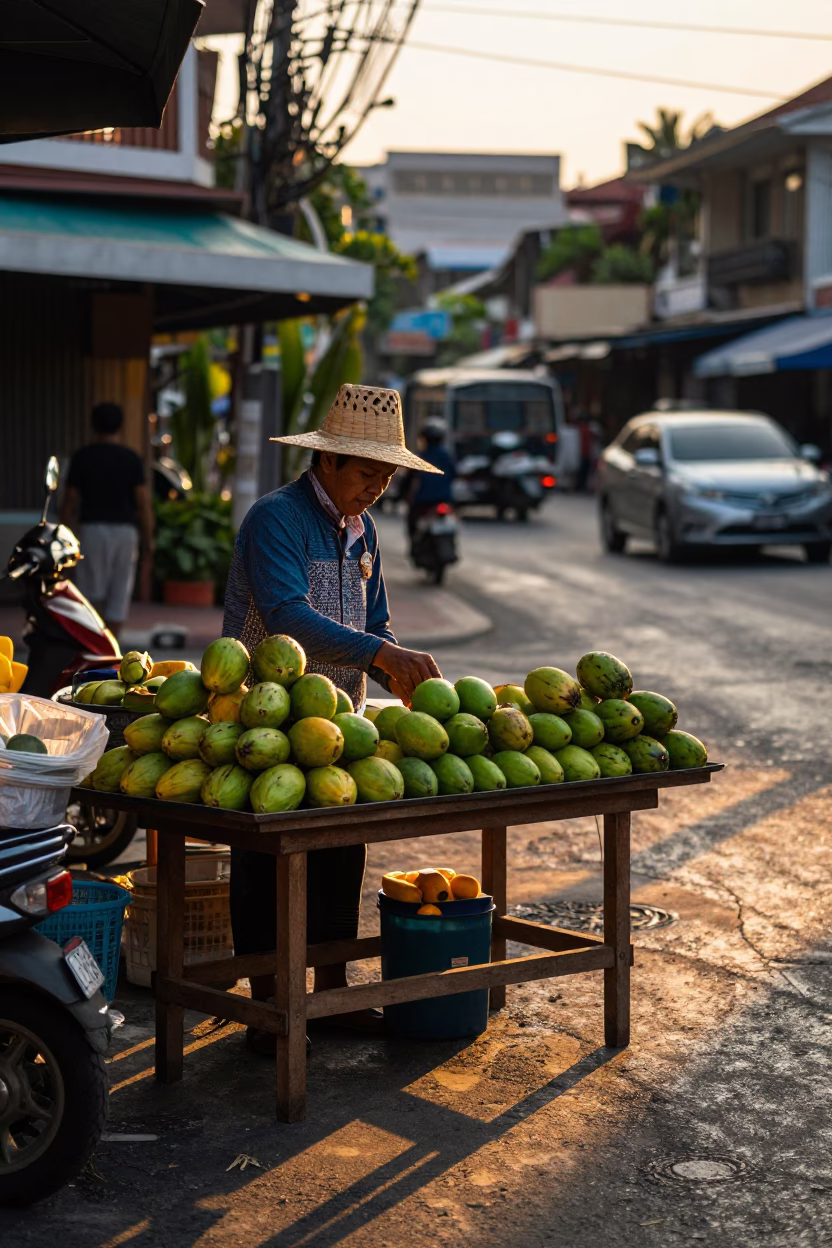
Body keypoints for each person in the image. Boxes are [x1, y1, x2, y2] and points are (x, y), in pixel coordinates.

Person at [222, 383, 444, 1054]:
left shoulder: (364, 529)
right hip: (266, 719)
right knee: (266, 866)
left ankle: (332, 993)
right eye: (367, 472)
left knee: (342, 852)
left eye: (387, 475)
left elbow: (375, 622)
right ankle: (269, 1008)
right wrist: (382, 651)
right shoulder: (276, 519)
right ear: (328, 463)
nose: (377, 487)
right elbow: (287, 616)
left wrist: (394, 671)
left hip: (340, 722)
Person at [59, 402, 155, 638]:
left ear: (93, 425)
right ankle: (113, 650)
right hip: (125, 533)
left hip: (92, 531)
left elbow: (69, 503)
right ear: (120, 426)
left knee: (90, 595)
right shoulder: (131, 458)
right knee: (119, 594)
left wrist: (62, 538)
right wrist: (149, 539)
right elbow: (142, 503)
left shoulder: (82, 456)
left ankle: (93, 647)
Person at [405, 418, 456, 545]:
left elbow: (409, 479)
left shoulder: (421, 456)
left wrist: (403, 495)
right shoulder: (447, 456)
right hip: (445, 499)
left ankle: (414, 544)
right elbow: (455, 474)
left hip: (423, 500)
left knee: (412, 520)